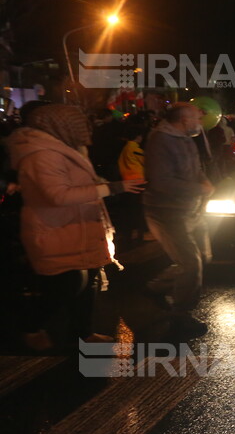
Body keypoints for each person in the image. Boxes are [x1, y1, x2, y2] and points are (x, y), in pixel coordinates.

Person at [7, 104, 145, 350]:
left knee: (88, 281)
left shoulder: (66, 149)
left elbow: (77, 184)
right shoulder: (42, 153)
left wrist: (101, 184)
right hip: (54, 228)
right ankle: (29, 328)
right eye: (78, 123)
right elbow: (57, 196)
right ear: (60, 125)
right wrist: (111, 188)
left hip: (78, 227)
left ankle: (82, 333)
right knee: (66, 285)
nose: (85, 128)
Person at [143, 103, 214, 339]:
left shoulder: (185, 138)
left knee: (202, 257)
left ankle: (156, 287)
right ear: (184, 119)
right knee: (191, 263)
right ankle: (180, 316)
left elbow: (194, 169)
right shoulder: (160, 141)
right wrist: (199, 189)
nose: (200, 122)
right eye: (196, 118)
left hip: (190, 208)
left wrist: (204, 183)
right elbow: (161, 181)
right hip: (167, 211)